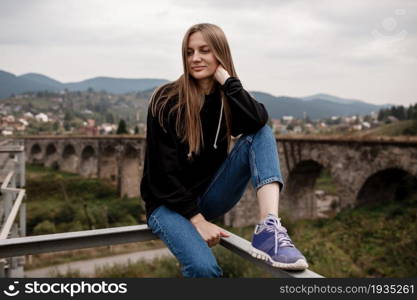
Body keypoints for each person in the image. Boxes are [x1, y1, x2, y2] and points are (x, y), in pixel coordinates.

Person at [140, 23, 308, 277]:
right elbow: (161, 177)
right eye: (189, 52)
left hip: (210, 196)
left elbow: (257, 121)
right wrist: (197, 221)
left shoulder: (226, 99)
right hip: (167, 205)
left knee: (261, 132)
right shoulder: (166, 100)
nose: (195, 58)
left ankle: (269, 228)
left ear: (220, 54)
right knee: (204, 268)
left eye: (204, 51)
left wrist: (228, 81)